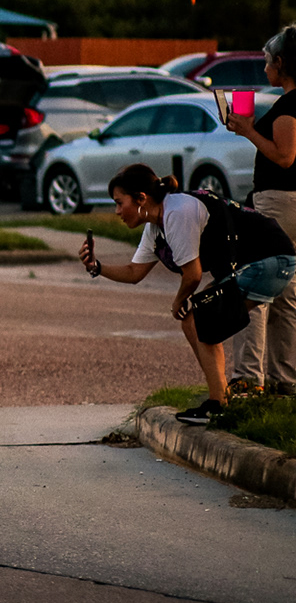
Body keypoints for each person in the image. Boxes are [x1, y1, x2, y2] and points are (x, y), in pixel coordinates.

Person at [81, 163, 296, 425]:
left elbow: (192, 274)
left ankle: (218, 404)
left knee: (198, 318)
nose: (116, 212)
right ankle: (221, 400)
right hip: (255, 262)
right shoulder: (155, 226)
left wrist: (179, 301)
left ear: (141, 198)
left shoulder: (178, 211)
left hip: (271, 259)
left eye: (119, 203)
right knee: (195, 320)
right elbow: (134, 272)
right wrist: (97, 266)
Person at [222, 24, 296, 397]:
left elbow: (285, 157)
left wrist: (249, 131)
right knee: (288, 291)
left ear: (281, 62)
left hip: (279, 202)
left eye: (268, 61)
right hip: (290, 203)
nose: (265, 67)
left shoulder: (289, 106)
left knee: (257, 284)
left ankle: (249, 378)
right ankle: (286, 379)